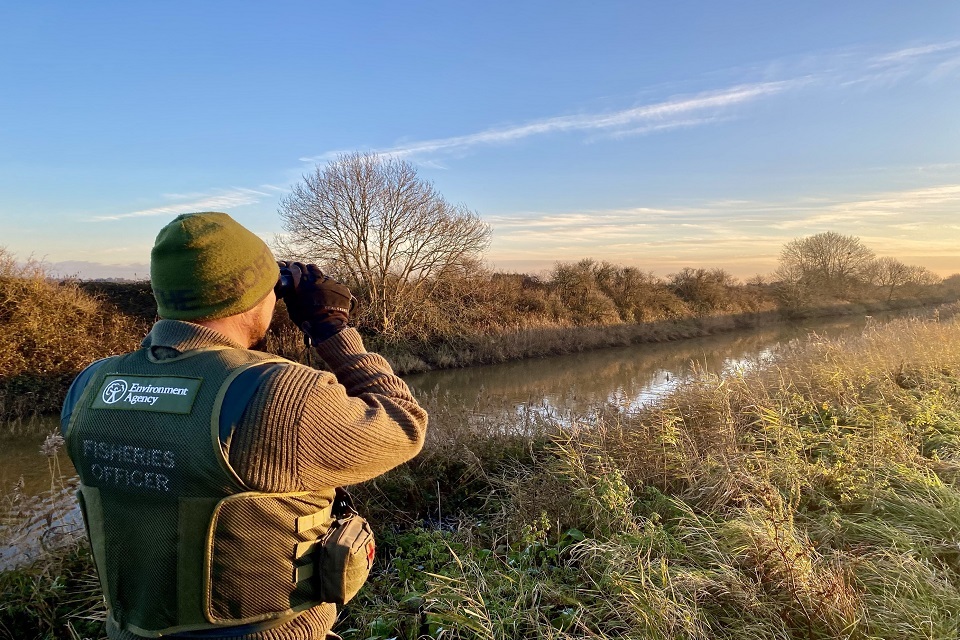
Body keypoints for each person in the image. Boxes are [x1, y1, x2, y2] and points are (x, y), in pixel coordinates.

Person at [61, 212, 428, 640]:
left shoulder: (90, 386)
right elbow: (406, 424)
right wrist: (331, 328)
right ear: (252, 297)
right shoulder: (279, 395)